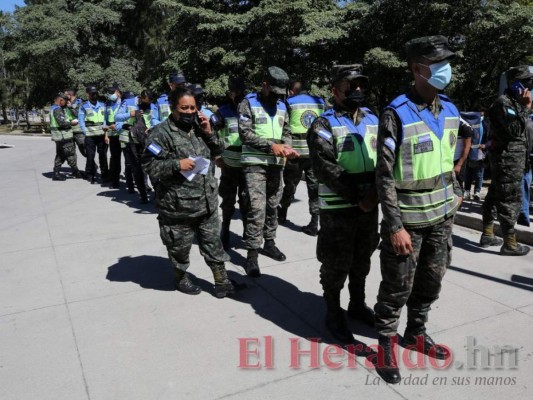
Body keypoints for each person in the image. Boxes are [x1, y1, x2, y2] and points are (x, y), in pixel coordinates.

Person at [374, 36, 462, 384]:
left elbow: (452, 158)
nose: (445, 70)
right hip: (408, 223)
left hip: (441, 219)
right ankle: (385, 346)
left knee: (430, 284)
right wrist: (394, 226)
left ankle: (416, 334)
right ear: (416, 69)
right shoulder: (396, 113)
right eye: (437, 64)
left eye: (446, 63)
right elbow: (383, 176)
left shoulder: (451, 110)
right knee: (396, 289)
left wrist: (455, 193)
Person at [307, 64, 379, 343]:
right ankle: (333, 313)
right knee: (336, 264)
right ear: (335, 90)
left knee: (362, 258)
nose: (357, 90)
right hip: (340, 207)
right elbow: (325, 167)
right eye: (351, 86)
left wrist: (373, 195)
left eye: (361, 85)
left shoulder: (373, 119)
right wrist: (358, 198)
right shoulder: (323, 124)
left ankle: (357, 304)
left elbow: (386, 159)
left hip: (370, 205)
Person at [141, 87, 235, 297]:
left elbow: (219, 150)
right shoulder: (161, 133)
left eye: (193, 107)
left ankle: (222, 281)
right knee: (179, 248)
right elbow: (148, 165)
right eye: (184, 108)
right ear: (173, 108)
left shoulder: (200, 127)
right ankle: (181, 278)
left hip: (206, 200)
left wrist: (209, 133)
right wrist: (177, 164)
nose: (189, 112)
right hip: (178, 206)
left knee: (213, 243)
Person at [238, 66, 298, 277]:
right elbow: (245, 134)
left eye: (280, 93)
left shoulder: (282, 105)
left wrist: (287, 147)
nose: (277, 97)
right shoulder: (248, 104)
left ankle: (269, 242)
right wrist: (272, 146)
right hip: (255, 164)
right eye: (273, 91)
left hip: (276, 164)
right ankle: (252, 253)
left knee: (273, 205)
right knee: (256, 207)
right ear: (264, 84)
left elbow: (287, 130)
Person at [480, 66, 532, 255]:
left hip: (512, 160)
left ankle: (487, 234)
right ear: (513, 83)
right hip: (507, 160)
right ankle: (510, 243)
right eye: (525, 82)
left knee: (494, 195)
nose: (529, 86)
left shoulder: (514, 102)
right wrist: (526, 108)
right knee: (510, 199)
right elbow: (516, 131)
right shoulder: (504, 103)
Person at [279, 80, 325, 236]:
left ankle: (282, 212)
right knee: (314, 189)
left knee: (290, 185)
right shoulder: (320, 102)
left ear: (292, 91)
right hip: (314, 154)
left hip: (295, 154)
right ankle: (314, 223)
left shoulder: (289, 102)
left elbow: (283, 127)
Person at [211, 76, 249, 250]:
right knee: (228, 201)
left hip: (249, 165)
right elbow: (210, 135)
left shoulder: (252, 111)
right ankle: (225, 229)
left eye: (242, 93)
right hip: (229, 166)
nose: (239, 97)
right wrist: (216, 157)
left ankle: (248, 232)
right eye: (236, 93)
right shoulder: (223, 112)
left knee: (247, 201)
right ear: (230, 94)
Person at [115, 91, 149, 203]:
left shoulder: (153, 105)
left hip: (147, 140)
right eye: (147, 100)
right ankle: (139, 191)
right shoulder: (128, 103)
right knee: (133, 166)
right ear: (142, 97)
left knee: (149, 165)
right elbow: (117, 118)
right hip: (130, 141)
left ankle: (148, 189)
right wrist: (130, 114)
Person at [49, 92, 84, 180]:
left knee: (60, 155)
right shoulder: (57, 109)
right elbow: (62, 123)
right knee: (71, 154)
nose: (66, 103)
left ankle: (56, 173)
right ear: (61, 100)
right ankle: (76, 172)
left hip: (59, 136)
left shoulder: (53, 108)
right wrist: (72, 123)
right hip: (64, 136)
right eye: (65, 101)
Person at [78, 85, 108, 184]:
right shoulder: (84, 106)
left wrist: (105, 130)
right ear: (88, 94)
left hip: (101, 135)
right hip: (90, 135)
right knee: (90, 156)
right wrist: (84, 131)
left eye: (95, 93)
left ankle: (104, 174)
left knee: (103, 155)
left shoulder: (103, 105)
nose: (94, 95)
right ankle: (89, 174)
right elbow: (81, 120)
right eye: (92, 93)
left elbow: (105, 119)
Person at [463, 110, 489, 201]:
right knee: (468, 173)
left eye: (482, 112)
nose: (481, 114)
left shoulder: (485, 125)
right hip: (469, 152)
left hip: (480, 153)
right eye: (480, 112)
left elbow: (490, 139)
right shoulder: (469, 123)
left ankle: (477, 192)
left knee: (479, 174)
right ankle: (467, 191)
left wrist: (485, 145)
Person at [104, 83, 123, 188]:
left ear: (118, 92)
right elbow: (105, 121)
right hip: (113, 135)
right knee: (115, 158)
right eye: (109, 92)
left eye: (113, 92)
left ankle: (134, 182)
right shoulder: (108, 104)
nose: (111, 94)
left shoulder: (124, 103)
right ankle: (115, 181)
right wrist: (106, 135)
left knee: (130, 160)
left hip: (124, 134)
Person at [517, 117, 532, 226]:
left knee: (525, 184)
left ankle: (523, 214)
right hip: (528, 159)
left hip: (527, 159)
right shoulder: (528, 122)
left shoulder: (527, 121)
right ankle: (523, 214)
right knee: (525, 183)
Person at [64, 89, 86, 158]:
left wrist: (71, 107)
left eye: (65, 95)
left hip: (78, 130)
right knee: (70, 150)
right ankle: (74, 167)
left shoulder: (80, 102)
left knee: (83, 149)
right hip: (69, 129)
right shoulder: (65, 103)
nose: (64, 96)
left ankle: (92, 165)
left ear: (69, 95)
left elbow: (79, 115)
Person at [454, 117, 473, 192]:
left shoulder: (464, 126)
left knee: (458, 185)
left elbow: (467, 146)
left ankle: (459, 203)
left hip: (458, 159)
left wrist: (459, 164)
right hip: (447, 159)